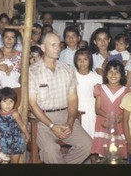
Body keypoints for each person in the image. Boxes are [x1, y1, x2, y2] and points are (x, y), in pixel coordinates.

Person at [28, 32, 92, 164]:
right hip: (42, 122)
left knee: (88, 144)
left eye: (58, 44)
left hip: (65, 117)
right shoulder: (32, 71)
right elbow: (33, 105)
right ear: (43, 48)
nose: (58, 48)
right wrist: (52, 125)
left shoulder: (68, 69)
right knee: (50, 150)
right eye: (53, 45)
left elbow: (73, 99)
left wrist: (69, 122)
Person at [91, 60, 131, 162]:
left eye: (117, 72)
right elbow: (98, 109)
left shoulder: (127, 91)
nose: (113, 74)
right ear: (106, 75)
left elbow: (127, 111)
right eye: (110, 72)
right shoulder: (100, 88)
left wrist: (117, 118)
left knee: (119, 154)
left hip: (120, 125)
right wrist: (110, 117)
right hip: (103, 124)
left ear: (122, 75)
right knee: (103, 155)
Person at [0, 87, 30, 163]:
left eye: (11, 101)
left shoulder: (15, 114)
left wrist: (27, 135)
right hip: (3, 142)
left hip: (16, 142)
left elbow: (22, 126)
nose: (8, 104)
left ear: (14, 103)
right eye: (5, 101)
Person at [74, 48, 102, 140]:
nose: (82, 63)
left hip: (91, 111)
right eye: (79, 60)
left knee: (91, 137)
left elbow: (99, 96)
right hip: (76, 110)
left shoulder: (96, 78)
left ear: (90, 61)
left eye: (85, 59)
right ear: (75, 61)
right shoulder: (72, 76)